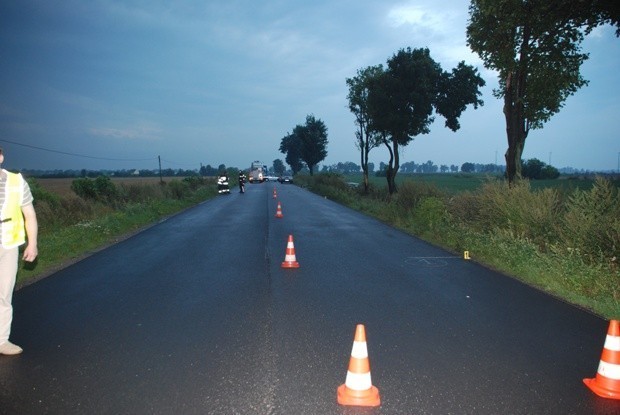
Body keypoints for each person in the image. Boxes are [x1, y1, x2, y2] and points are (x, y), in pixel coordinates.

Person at [0, 148, 38, 355]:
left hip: (7, 245)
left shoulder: (16, 182)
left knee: (4, 294)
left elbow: (29, 215)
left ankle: (1, 340)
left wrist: (32, 243)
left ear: (1, 157)